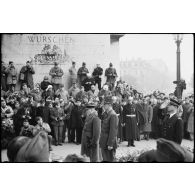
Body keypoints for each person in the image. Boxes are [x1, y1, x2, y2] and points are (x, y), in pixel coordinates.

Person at [99, 96, 119, 162]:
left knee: (110, 160)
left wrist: (110, 144)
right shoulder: (106, 114)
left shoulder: (113, 115)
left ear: (109, 105)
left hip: (109, 143)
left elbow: (113, 131)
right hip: (104, 141)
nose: (103, 106)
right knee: (105, 159)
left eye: (104, 105)